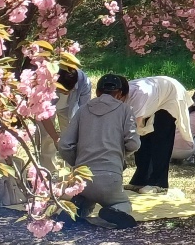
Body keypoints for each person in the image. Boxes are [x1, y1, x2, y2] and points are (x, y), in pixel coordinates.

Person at [59, 74, 139, 229]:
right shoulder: (125, 110)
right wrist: (119, 155)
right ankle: (114, 210)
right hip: (110, 177)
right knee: (122, 202)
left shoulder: (83, 110)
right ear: (120, 94)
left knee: (84, 199)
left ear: (97, 92)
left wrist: (77, 163)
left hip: (82, 178)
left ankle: (74, 210)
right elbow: (134, 143)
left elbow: (64, 145)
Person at [126, 75, 191, 193]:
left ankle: (159, 182)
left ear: (121, 93)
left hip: (170, 96)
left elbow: (133, 127)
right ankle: (140, 179)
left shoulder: (140, 94)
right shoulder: (116, 96)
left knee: (161, 139)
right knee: (144, 138)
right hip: (154, 99)